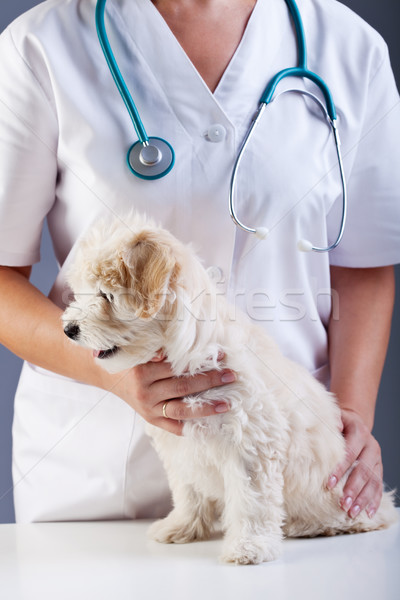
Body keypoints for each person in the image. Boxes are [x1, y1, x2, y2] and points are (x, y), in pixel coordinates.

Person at [0, 0, 399, 523]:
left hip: (288, 467)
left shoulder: (349, 47)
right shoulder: (41, 44)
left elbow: (363, 264)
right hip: (99, 473)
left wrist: (348, 415)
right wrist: (112, 374)